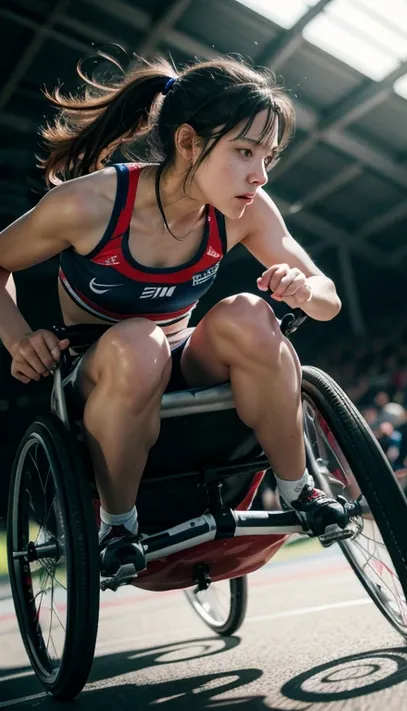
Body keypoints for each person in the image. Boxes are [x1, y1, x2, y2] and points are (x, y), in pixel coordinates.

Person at [0, 54, 347, 571]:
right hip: (100, 370)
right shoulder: (90, 205)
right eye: (245, 152)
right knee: (140, 342)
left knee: (251, 314)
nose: (260, 176)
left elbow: (329, 298)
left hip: (181, 359)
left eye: (268, 158)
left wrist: (303, 288)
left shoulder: (246, 211)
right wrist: (18, 338)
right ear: (188, 143)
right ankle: (118, 524)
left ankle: (300, 492)